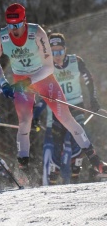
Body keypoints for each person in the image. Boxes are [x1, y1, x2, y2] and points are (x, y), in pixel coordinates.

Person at [0, 3, 107, 183]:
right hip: (21, 80)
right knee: (25, 121)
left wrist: (28, 82)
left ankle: (96, 161)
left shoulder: (38, 33)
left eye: (18, 25)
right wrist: (4, 82)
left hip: (42, 77)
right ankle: (23, 169)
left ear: (24, 21)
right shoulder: (2, 38)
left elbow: (49, 66)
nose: (15, 30)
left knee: (66, 118)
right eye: (11, 25)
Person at [33, 33, 103, 184]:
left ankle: (76, 174)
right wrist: (35, 115)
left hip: (76, 105)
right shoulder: (46, 68)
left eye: (60, 51)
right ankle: (53, 179)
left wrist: (93, 99)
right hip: (57, 110)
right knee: (57, 147)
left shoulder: (76, 61)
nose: (57, 56)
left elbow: (88, 79)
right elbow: (40, 95)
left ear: (65, 50)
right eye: (53, 52)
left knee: (77, 139)